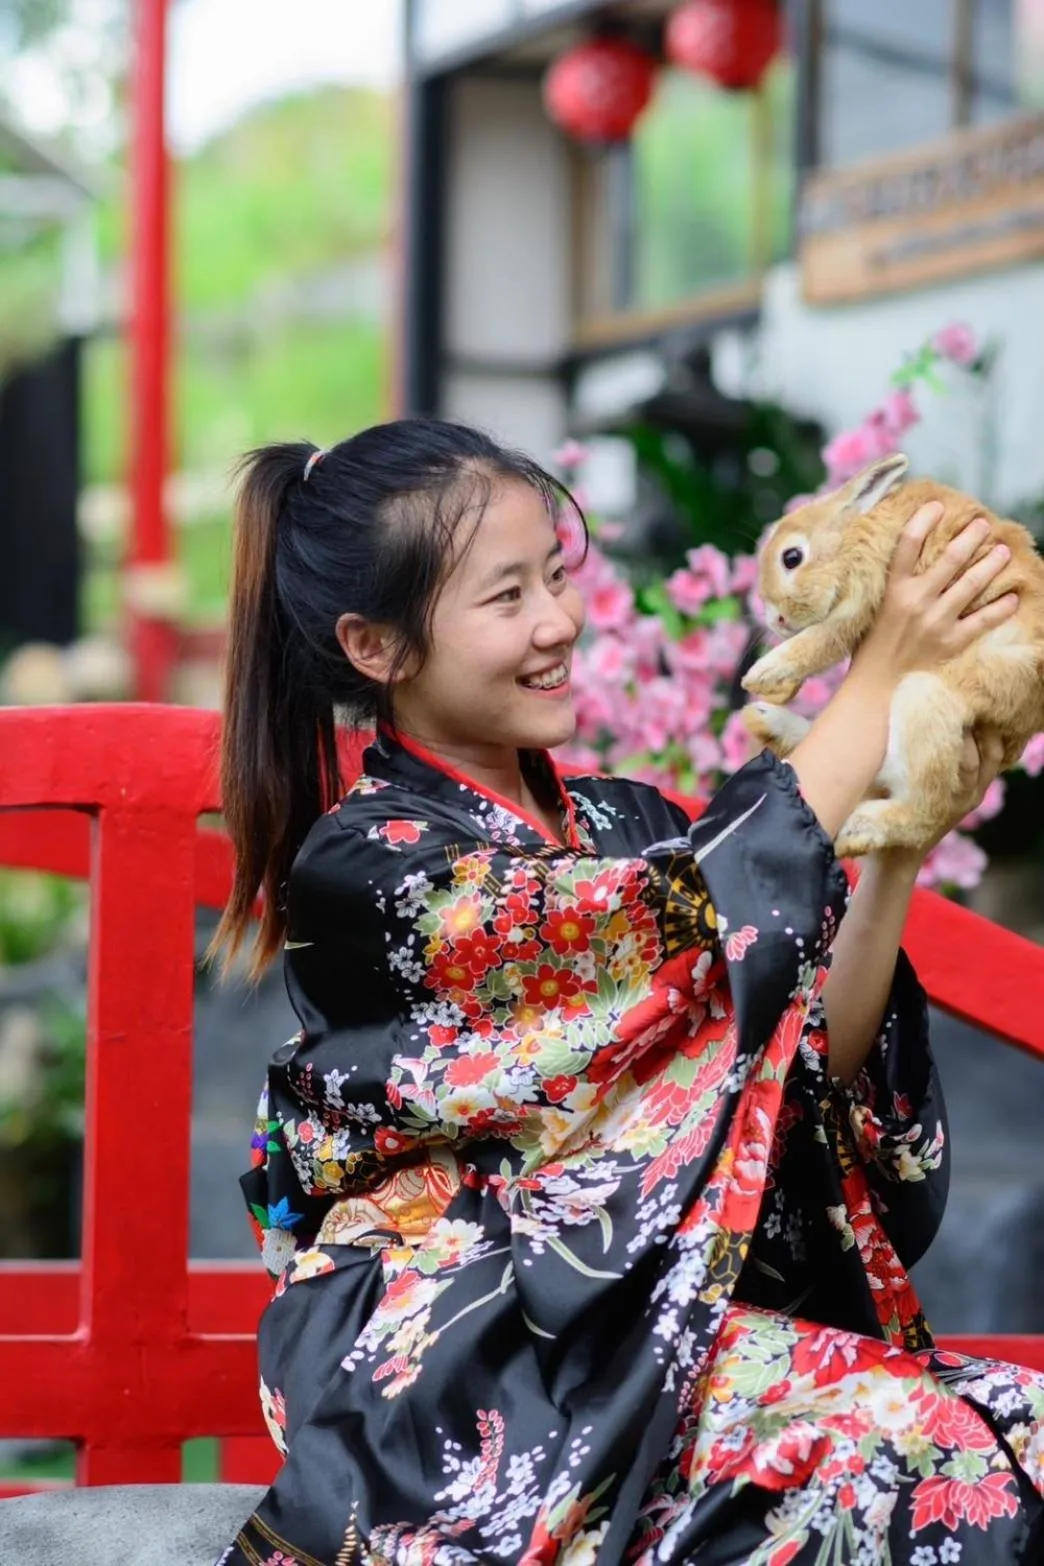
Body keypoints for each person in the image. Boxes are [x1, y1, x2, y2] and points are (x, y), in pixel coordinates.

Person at [214, 418, 1043, 1566]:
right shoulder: (371, 868)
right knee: (918, 1449)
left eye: (557, 575)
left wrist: (902, 830)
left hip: (642, 1326)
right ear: (377, 645)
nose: (559, 622)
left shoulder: (629, 825)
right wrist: (878, 678)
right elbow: (677, 917)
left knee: (1022, 1432)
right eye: (507, 598)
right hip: (470, 1361)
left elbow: (804, 1068)